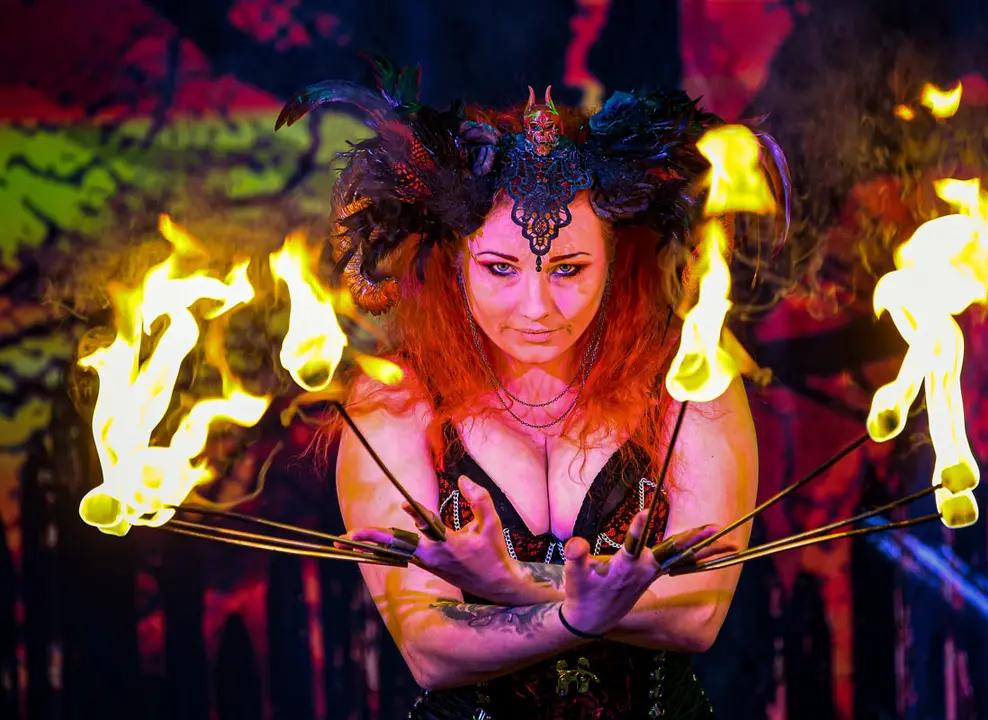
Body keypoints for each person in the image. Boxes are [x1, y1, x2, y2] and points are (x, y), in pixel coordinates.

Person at [277, 56, 790, 719]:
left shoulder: (690, 381)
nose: (537, 306)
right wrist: (579, 608)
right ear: (456, 263)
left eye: (571, 269)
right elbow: (430, 647)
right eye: (498, 268)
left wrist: (507, 586)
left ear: (616, 258)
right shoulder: (393, 405)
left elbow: (695, 615)